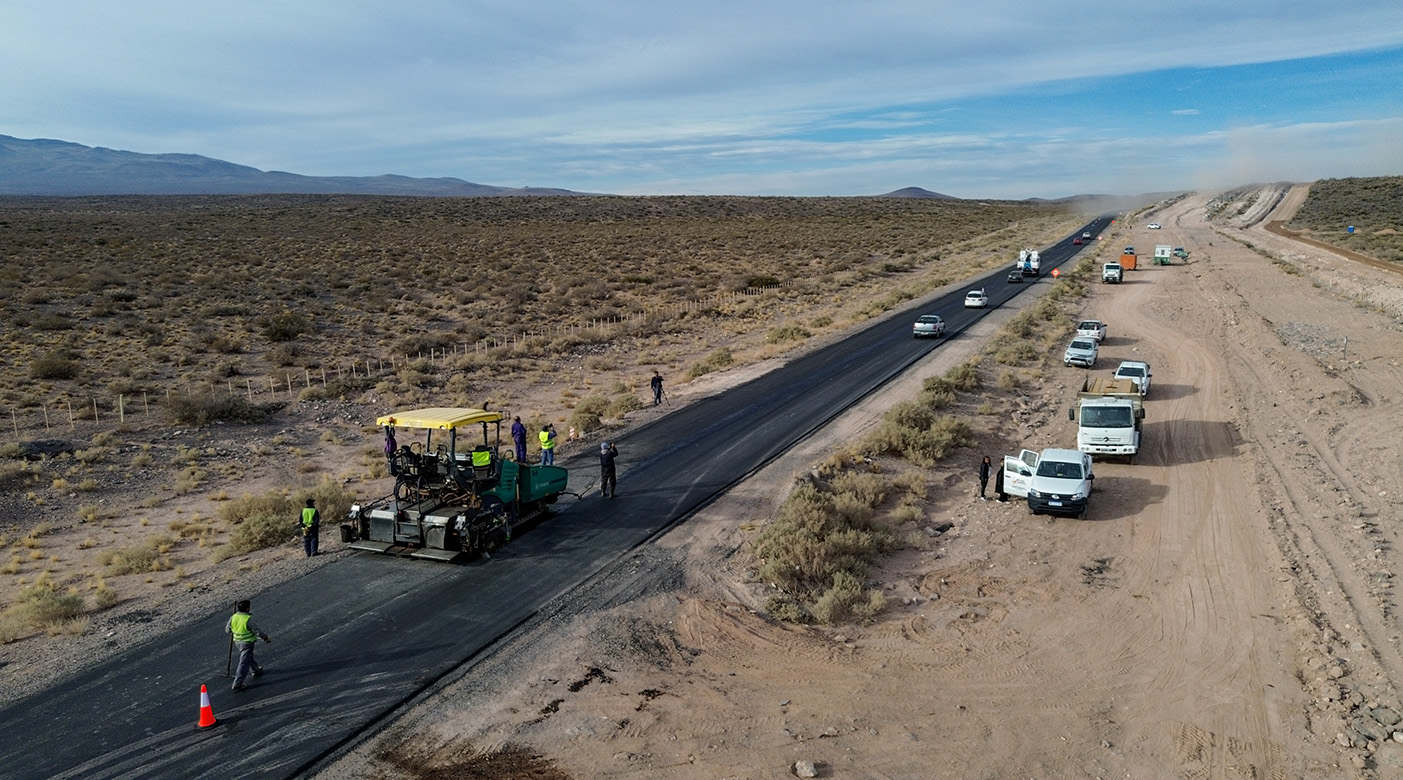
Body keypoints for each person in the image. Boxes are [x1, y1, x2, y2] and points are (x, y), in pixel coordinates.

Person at [227, 599, 271, 691]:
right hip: (247, 643)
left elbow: (227, 630)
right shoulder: (248, 619)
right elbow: (257, 631)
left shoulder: (233, 617)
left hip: (237, 643)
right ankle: (237, 683)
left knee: (247, 656)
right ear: (247, 609)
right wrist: (266, 638)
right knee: (243, 663)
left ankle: (255, 670)